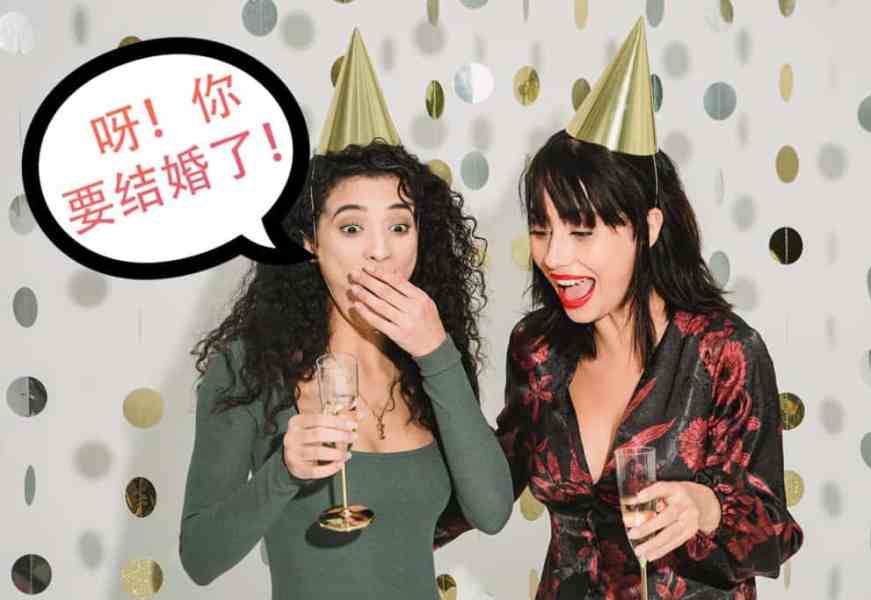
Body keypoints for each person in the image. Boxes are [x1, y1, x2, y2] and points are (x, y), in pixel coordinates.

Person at [435, 18, 803, 599]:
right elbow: (487, 487)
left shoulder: (722, 351)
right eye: (541, 229)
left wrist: (706, 506)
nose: (554, 256)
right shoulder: (538, 350)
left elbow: (774, 532)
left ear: (647, 228)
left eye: (582, 232)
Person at [179, 29, 512, 599]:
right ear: (311, 240)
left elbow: (493, 511)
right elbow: (200, 557)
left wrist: (438, 353)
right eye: (352, 227)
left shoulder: (430, 364)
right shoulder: (250, 368)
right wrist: (284, 471)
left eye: (399, 226)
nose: (381, 251)